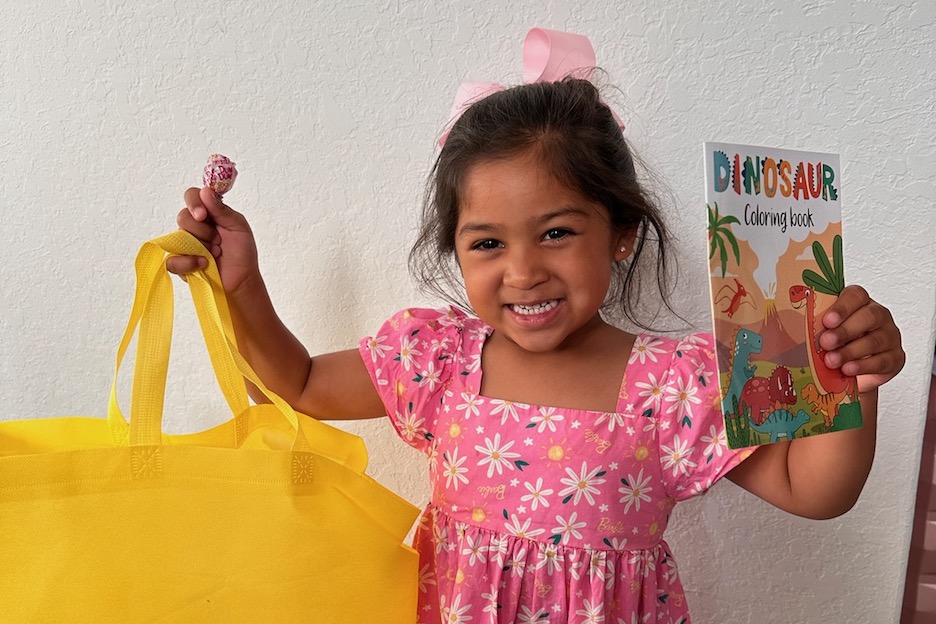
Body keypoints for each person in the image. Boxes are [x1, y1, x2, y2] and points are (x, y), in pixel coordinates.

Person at [168, 78, 904, 623]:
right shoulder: (438, 359)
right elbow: (297, 383)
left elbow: (815, 491)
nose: (522, 271)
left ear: (621, 233)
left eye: (556, 232)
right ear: (454, 252)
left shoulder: (673, 382)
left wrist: (852, 377)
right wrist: (244, 286)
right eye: (487, 243)